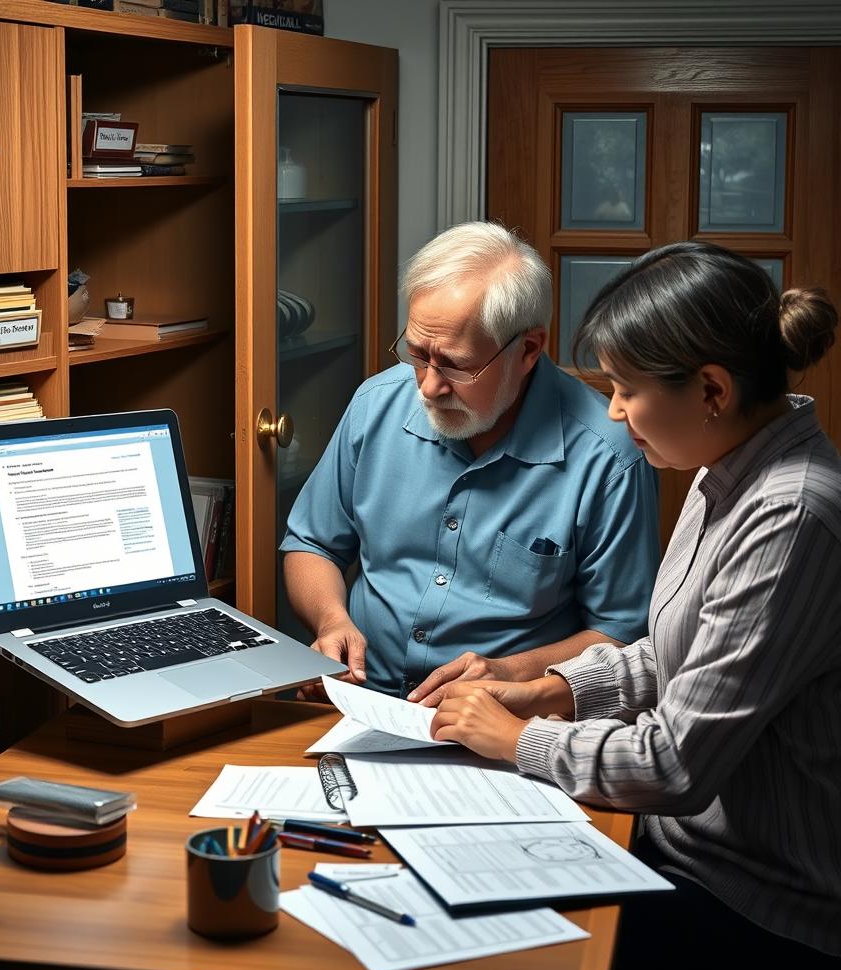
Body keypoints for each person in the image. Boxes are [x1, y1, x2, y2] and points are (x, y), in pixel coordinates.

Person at [417, 241, 841, 970]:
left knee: (494, 966)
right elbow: (669, 658)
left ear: (711, 389)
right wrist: (545, 692)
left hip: (764, 898)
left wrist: (517, 743)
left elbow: (676, 766)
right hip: (685, 850)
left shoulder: (792, 517)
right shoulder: (727, 469)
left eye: (625, 388)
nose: (612, 411)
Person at [281, 221, 660, 698]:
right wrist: (331, 619)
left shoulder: (609, 457)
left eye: (456, 365)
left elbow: (621, 635)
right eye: (417, 353)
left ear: (527, 350)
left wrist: (512, 672)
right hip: (358, 701)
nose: (428, 386)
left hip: (497, 721)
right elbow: (310, 544)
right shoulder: (376, 404)